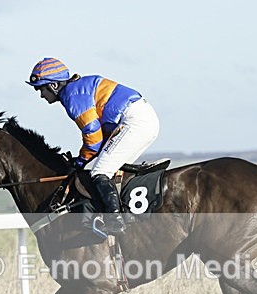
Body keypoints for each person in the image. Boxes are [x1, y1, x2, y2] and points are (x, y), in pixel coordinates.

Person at [26, 57, 159, 235]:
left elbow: (93, 139)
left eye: (41, 89)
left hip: (134, 122)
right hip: (143, 119)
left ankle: (114, 222)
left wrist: (79, 162)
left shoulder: (72, 96)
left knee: (100, 172)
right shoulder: (77, 89)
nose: (41, 95)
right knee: (112, 171)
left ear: (54, 85)